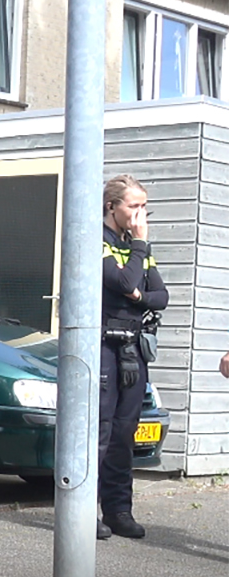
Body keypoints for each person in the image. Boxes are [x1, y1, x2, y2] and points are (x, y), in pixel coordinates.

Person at [97, 176, 167, 540]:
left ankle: (119, 510)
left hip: (133, 348)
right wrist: (138, 252)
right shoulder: (100, 239)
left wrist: (138, 293)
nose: (141, 215)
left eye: (144, 207)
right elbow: (124, 284)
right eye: (134, 207)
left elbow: (160, 295)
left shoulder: (137, 245)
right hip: (105, 345)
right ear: (112, 207)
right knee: (102, 430)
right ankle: (84, 509)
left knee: (126, 431)